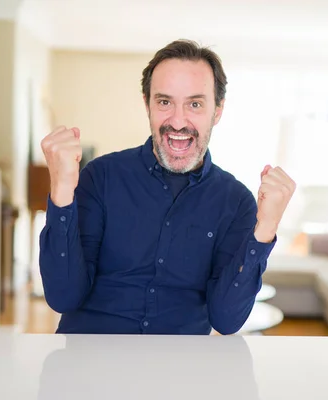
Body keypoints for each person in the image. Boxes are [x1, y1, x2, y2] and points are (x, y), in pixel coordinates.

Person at [38, 39, 296, 335]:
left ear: (218, 111)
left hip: (180, 370)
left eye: (195, 104)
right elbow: (62, 296)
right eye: (164, 102)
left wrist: (266, 227)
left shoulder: (236, 201)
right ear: (147, 104)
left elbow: (226, 320)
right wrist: (61, 191)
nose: (177, 121)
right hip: (88, 361)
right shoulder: (101, 176)